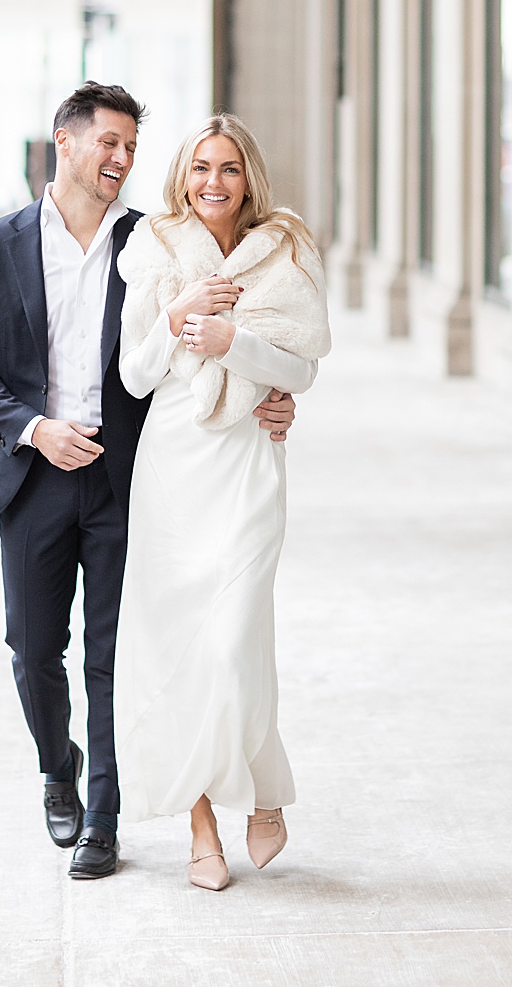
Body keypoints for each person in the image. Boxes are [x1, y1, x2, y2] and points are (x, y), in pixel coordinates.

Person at [0, 83, 298, 880]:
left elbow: (223, 341)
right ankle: (55, 766)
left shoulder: (154, 242)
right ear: (63, 142)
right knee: (34, 648)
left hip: (128, 474)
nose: (122, 160)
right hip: (32, 472)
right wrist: (36, 428)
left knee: (113, 652)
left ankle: (102, 817)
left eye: (132, 148)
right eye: (108, 143)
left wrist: (273, 397)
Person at [113, 114, 329, 891]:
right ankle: (202, 822)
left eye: (229, 168)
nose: (214, 181)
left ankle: (263, 789)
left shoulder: (286, 248)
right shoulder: (156, 248)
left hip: (248, 459)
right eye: (201, 166)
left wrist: (233, 340)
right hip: (172, 463)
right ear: (182, 176)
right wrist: (178, 321)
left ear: (250, 178)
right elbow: (136, 376)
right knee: (181, 649)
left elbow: (301, 369)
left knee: (234, 642)